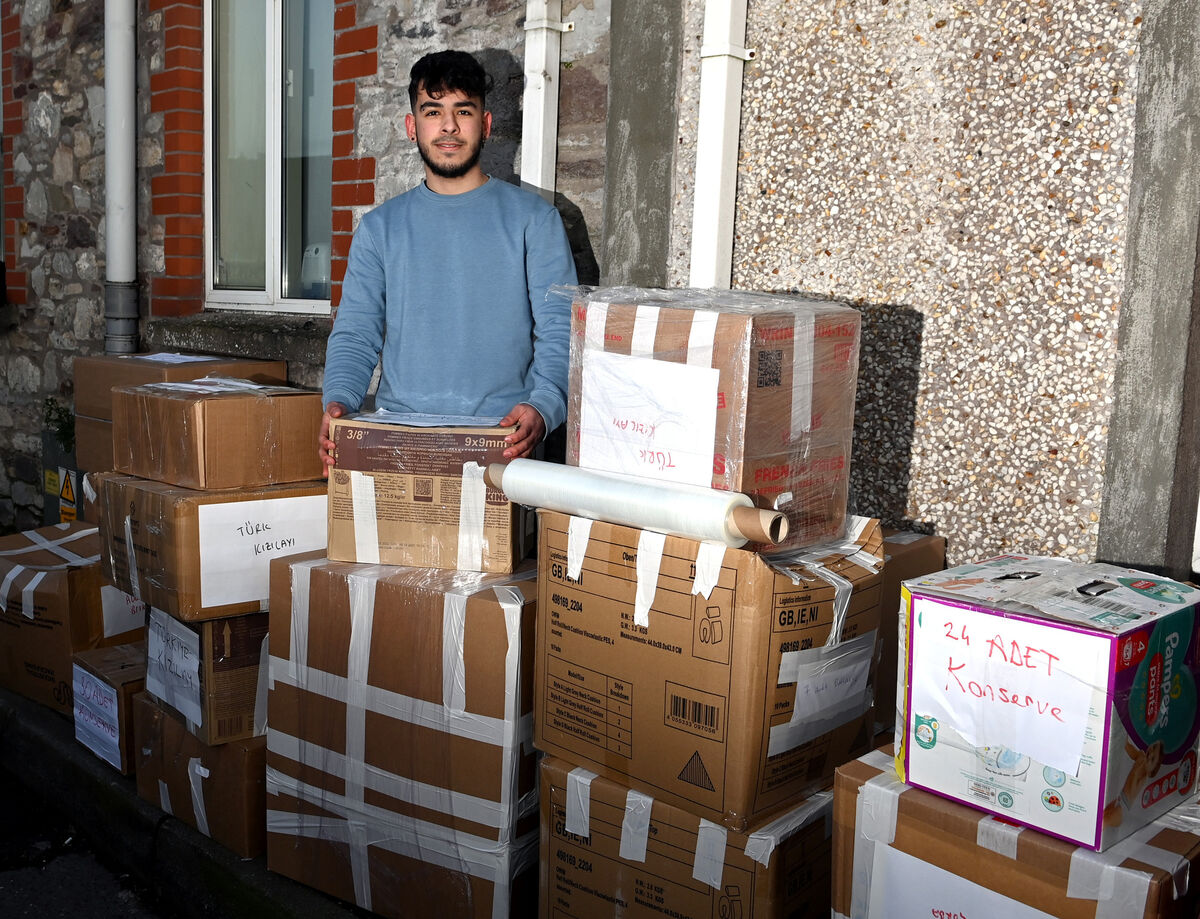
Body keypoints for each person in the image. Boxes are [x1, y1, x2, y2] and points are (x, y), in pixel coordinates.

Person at [318, 49, 577, 473]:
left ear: (486, 124)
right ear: (411, 126)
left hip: (502, 444)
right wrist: (338, 405)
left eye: (463, 110)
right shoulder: (380, 229)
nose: (449, 126)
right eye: (433, 111)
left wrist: (542, 407)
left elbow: (561, 331)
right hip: (398, 440)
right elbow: (355, 333)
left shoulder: (535, 221)